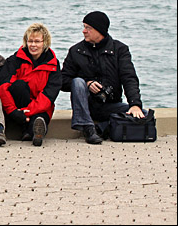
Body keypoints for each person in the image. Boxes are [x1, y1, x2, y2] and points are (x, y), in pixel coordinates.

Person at [61, 11, 145, 144]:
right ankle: (88, 128)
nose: (84, 31)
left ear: (100, 30)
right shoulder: (75, 51)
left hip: (110, 104)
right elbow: (63, 81)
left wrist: (135, 104)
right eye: (83, 27)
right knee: (77, 82)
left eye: (88, 28)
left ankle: (101, 128)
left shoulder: (120, 50)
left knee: (142, 114)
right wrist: (87, 83)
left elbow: (129, 78)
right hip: (86, 105)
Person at [0, 23, 61, 146]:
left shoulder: (53, 64)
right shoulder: (15, 60)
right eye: (30, 41)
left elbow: (49, 94)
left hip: (40, 108)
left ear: (45, 42)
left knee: (40, 117)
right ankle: (30, 130)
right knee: (19, 85)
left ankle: (35, 132)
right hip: (17, 107)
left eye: (37, 41)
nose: (33, 45)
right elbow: (2, 86)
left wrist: (29, 111)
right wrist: (13, 111)